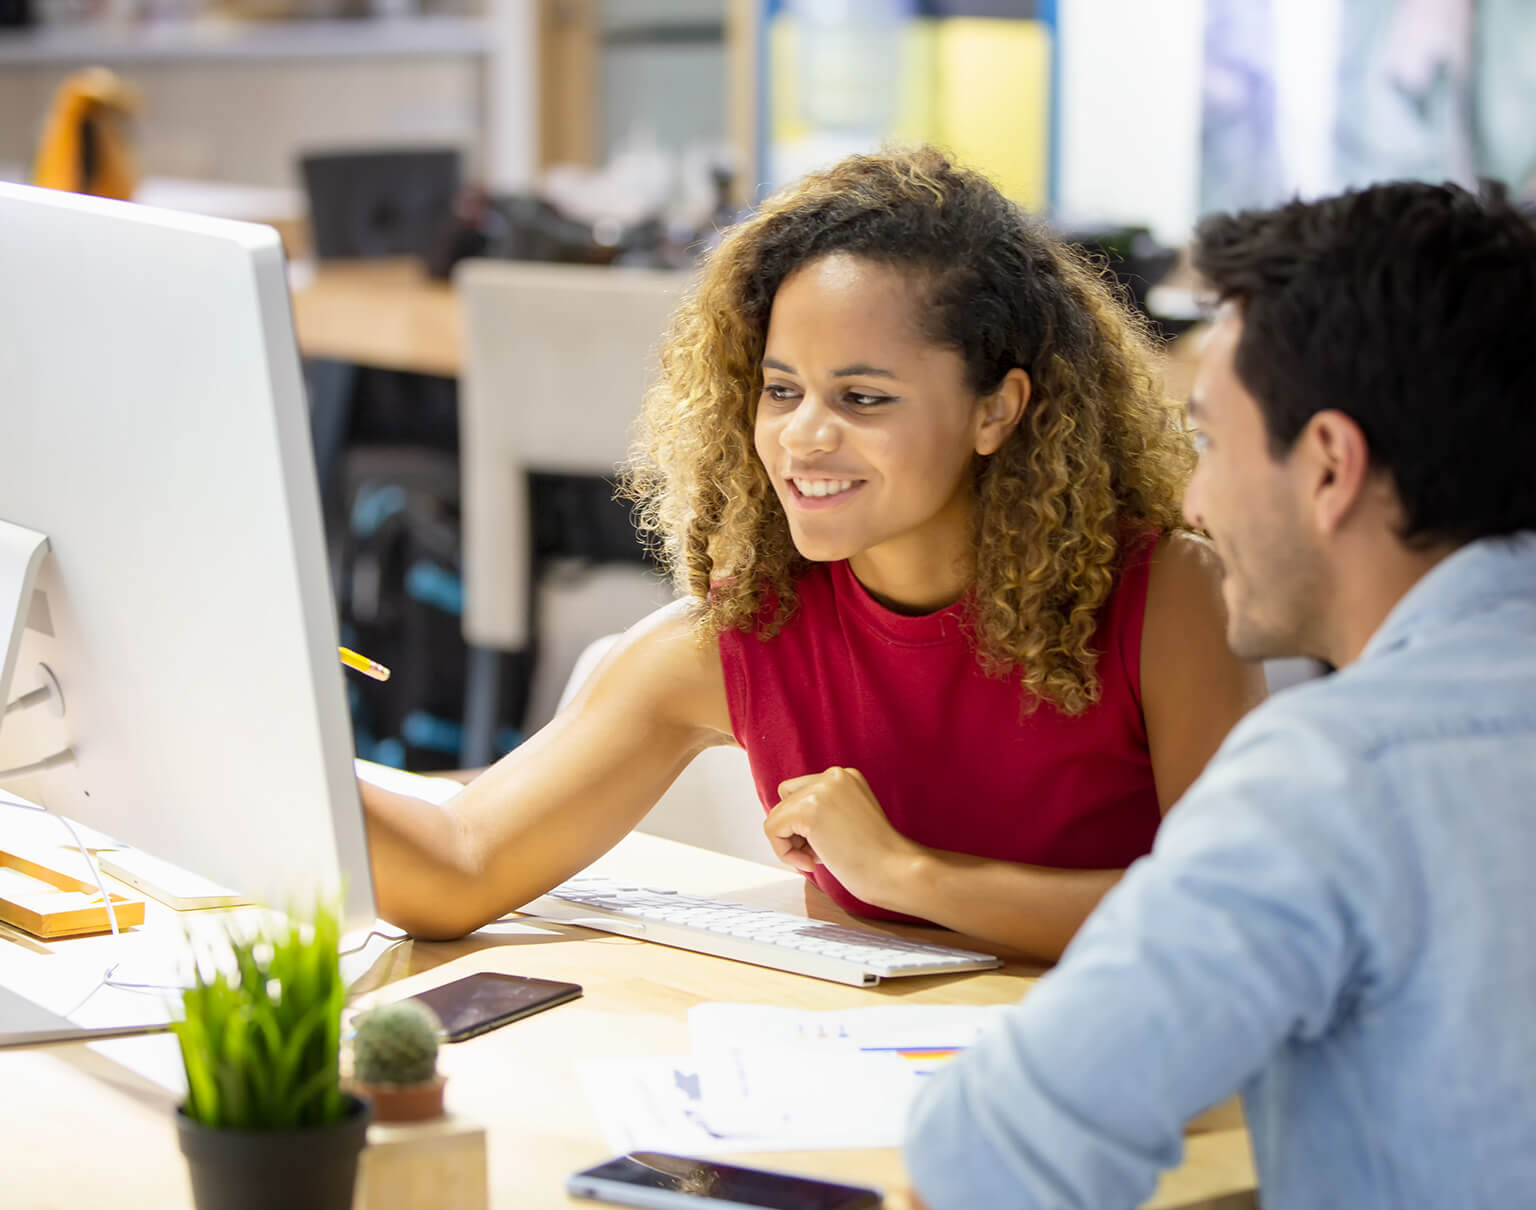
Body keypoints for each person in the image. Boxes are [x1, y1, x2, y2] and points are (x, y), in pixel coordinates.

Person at [359, 147, 1264, 960]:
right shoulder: (741, 633)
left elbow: (1227, 918)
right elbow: (460, 865)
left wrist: (908, 876)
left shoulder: (1170, 600)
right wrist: (271, 730)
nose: (803, 437)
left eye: (863, 398)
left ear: (998, 408)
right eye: (781, 390)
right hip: (843, 1095)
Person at [904, 179, 1536, 1207]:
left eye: (1209, 442)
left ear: (1328, 466)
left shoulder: (1337, 777)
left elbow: (988, 1162)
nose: (1194, 500)